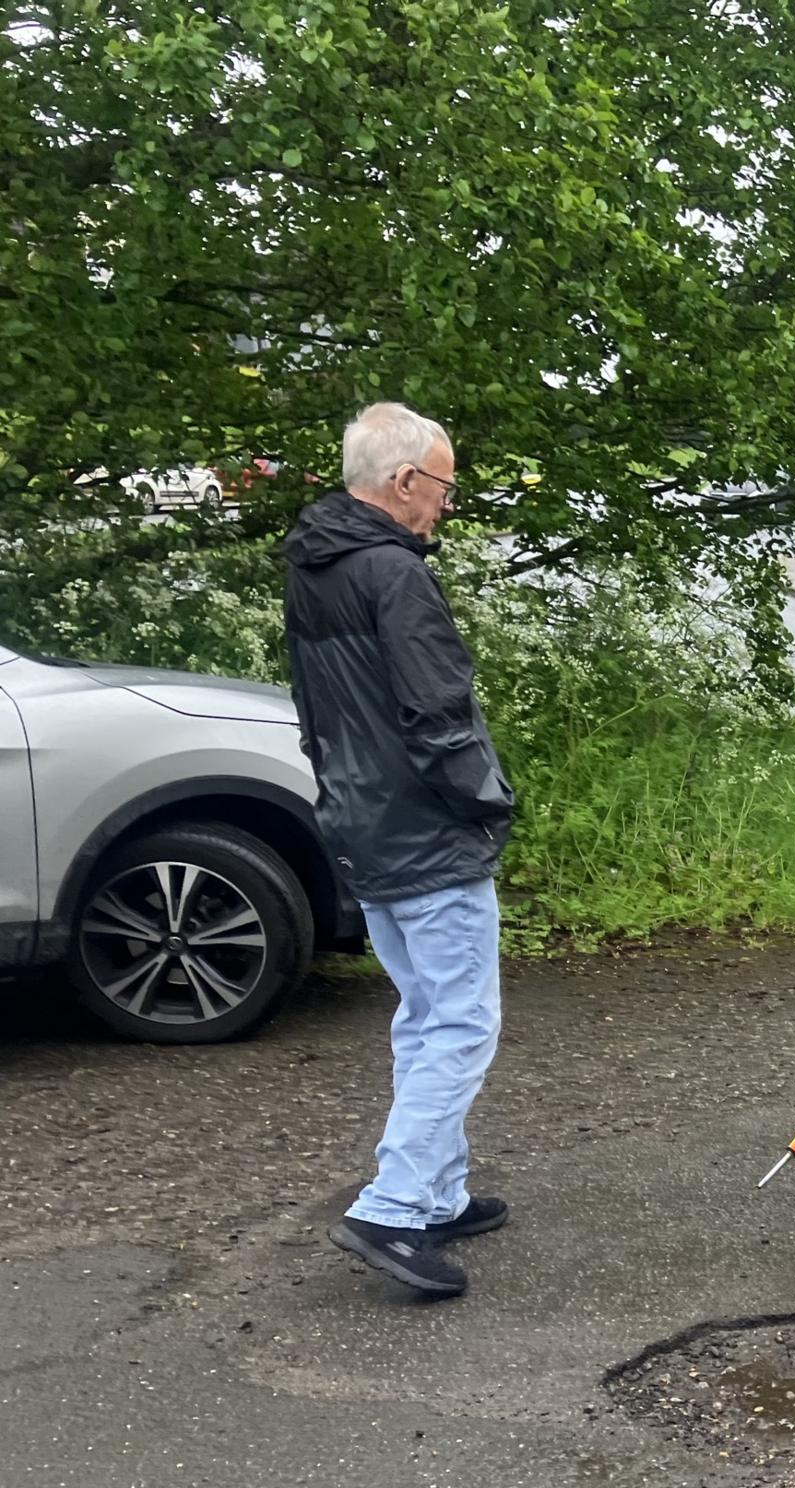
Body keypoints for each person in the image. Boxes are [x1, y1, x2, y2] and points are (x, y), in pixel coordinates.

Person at [287, 402, 514, 1302]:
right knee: (460, 1022)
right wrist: (485, 801)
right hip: (423, 829)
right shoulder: (393, 573)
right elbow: (438, 711)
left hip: (359, 816)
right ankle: (393, 1206)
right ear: (405, 482)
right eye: (444, 487)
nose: (446, 505)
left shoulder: (316, 567)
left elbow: (319, 705)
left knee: (426, 1012)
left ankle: (437, 1194)